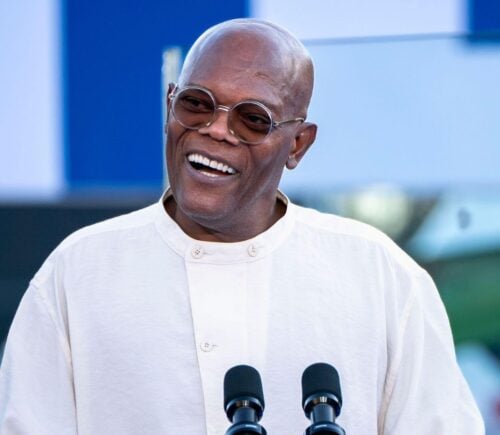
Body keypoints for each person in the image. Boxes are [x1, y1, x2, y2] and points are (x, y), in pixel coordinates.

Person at [0, 18, 484, 434]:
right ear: (170, 105)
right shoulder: (80, 271)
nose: (215, 129)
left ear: (298, 145)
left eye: (253, 119)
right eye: (196, 103)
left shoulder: (379, 276)